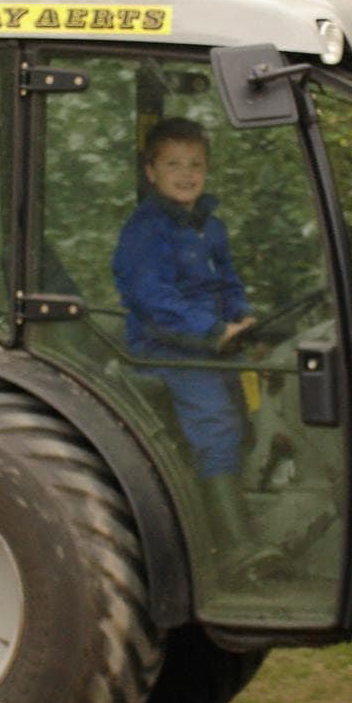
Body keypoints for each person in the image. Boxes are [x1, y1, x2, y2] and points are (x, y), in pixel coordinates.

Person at [112, 117, 269, 573]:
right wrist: (210, 330)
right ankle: (234, 547)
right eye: (173, 164)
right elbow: (153, 297)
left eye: (195, 164)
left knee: (256, 408)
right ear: (151, 172)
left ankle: (242, 511)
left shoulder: (209, 226)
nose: (186, 174)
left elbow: (227, 280)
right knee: (216, 422)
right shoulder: (147, 230)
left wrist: (242, 316)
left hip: (211, 343)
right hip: (167, 349)